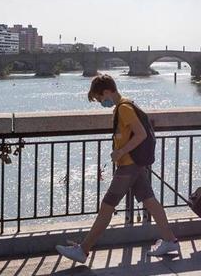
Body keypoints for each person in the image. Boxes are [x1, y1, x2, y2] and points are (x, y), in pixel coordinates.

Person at [55, 74, 180, 263]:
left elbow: (141, 134)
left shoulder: (124, 109)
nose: (100, 102)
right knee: (150, 201)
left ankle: (83, 250)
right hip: (134, 165)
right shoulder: (125, 105)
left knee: (107, 207)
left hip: (128, 166)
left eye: (99, 98)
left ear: (107, 92)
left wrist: (120, 152)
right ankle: (171, 240)